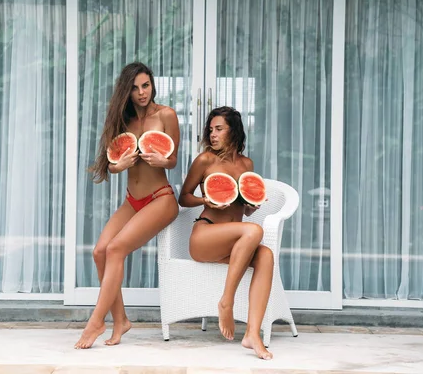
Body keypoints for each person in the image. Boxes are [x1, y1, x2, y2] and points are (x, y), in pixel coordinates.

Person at [75, 62, 180, 349]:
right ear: (127, 91)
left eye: (145, 85)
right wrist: (117, 165)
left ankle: (96, 321)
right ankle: (120, 319)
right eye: (134, 88)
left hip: (161, 199)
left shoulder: (167, 115)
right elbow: (111, 163)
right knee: (100, 252)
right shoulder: (123, 121)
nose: (141, 92)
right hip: (132, 201)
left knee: (116, 249)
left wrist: (163, 161)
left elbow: (173, 159)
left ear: (152, 85)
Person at [178, 106, 274, 360]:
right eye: (211, 130)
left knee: (266, 256)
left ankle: (253, 333)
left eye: (219, 129)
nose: (213, 134)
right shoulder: (205, 160)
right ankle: (226, 301)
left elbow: (246, 210)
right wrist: (205, 201)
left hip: (234, 244)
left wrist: (252, 205)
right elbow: (184, 197)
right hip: (205, 236)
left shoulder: (247, 164)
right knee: (254, 232)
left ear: (234, 131)